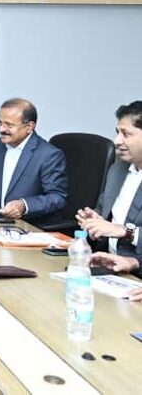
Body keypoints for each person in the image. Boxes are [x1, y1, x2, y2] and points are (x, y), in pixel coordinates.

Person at [0, 98, 67, 226]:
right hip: (0, 222)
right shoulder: (0, 145)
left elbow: (57, 197)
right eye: (0, 123)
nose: (2, 129)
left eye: (9, 125)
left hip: (31, 226)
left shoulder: (48, 154)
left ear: (29, 127)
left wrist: (24, 205)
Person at [77, 101, 142, 295]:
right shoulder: (118, 169)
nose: (117, 141)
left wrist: (125, 232)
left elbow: (120, 230)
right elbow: (104, 212)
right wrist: (95, 222)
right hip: (109, 270)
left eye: (126, 134)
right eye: (117, 132)